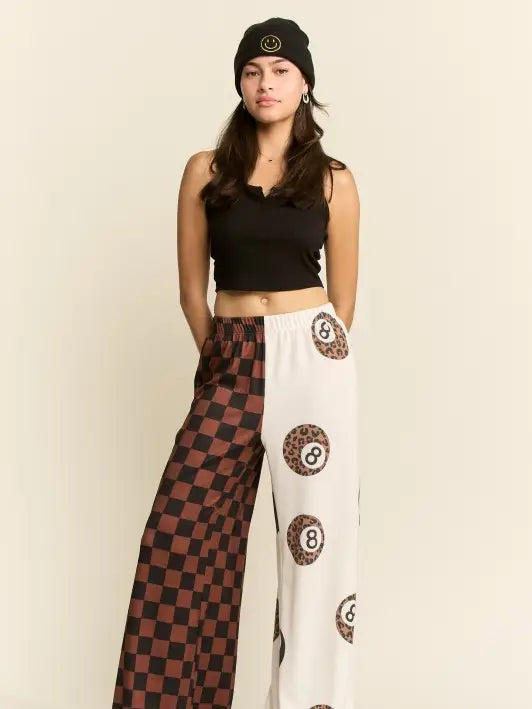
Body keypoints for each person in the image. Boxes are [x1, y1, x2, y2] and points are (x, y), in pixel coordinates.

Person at [112, 16, 360, 709]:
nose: (265, 83)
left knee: (317, 551)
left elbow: (343, 301)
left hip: (313, 357)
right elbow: (192, 290)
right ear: (240, 84)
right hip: (232, 354)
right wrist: (227, 359)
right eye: (252, 72)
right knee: (179, 533)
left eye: (280, 71)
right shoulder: (207, 170)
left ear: (304, 83)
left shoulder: (335, 180)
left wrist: (303, 357)